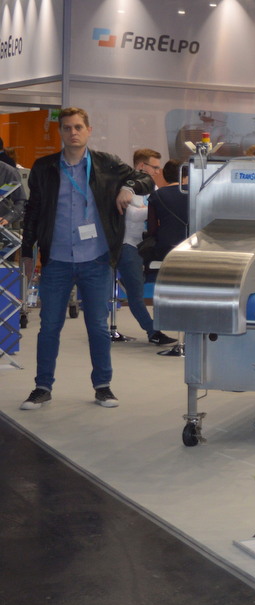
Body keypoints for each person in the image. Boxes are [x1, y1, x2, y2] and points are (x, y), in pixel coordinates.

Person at [19, 107, 154, 410]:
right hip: (56, 260)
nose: (73, 133)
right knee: (49, 327)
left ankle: (103, 386)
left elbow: (146, 179)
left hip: (96, 259)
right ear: (60, 132)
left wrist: (129, 187)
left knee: (98, 327)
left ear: (89, 130)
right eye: (67, 128)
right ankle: (42, 387)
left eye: (78, 127)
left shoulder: (108, 164)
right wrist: (27, 250)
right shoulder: (44, 167)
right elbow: (33, 210)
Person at [116, 149, 177, 346]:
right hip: (128, 244)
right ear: (142, 166)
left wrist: (148, 210)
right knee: (136, 294)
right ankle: (152, 332)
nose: (158, 172)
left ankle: (130, 280)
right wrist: (152, 210)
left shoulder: (154, 188)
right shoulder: (124, 187)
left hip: (148, 246)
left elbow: (152, 211)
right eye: (155, 167)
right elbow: (131, 215)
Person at [148, 160, 190, 265]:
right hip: (193, 246)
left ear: (165, 176)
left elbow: (152, 228)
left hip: (166, 248)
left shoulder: (156, 195)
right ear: (186, 175)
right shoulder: (197, 192)